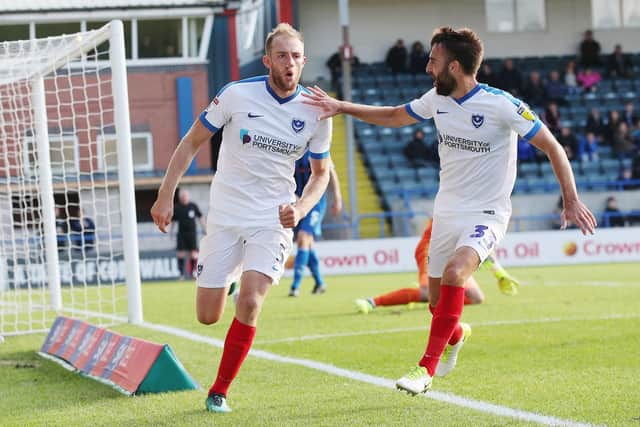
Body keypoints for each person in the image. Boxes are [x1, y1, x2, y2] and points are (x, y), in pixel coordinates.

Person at [303, 26, 596, 396]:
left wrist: (570, 199)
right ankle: (456, 335)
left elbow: (553, 147)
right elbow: (395, 115)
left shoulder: (502, 104)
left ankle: (424, 369)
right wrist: (342, 107)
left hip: (487, 213)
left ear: (454, 67)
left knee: (458, 273)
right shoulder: (436, 99)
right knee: (436, 303)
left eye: (433, 60)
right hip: (446, 214)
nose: (427, 67)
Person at [150, 23, 332, 413]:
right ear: (268, 60)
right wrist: (165, 195)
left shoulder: (318, 111)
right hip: (226, 214)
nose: (290, 63)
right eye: (282, 56)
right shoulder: (235, 95)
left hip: (273, 219)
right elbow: (191, 143)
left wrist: (300, 208)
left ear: (304, 61)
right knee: (207, 317)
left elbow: (320, 175)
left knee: (251, 303)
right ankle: (228, 280)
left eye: (297, 56)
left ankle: (219, 391)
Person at [354, 219, 520, 315]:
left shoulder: (484, 208)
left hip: (454, 250)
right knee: (428, 293)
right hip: (431, 246)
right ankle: (372, 302)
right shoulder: (459, 200)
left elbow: (486, 245)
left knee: (476, 298)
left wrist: (500, 275)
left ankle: (423, 292)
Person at [288, 155, 342, 297]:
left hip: (316, 203)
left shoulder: (318, 146)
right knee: (307, 243)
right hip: (298, 202)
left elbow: (331, 174)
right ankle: (319, 283)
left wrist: (337, 198)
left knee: (302, 237)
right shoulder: (293, 147)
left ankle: (295, 286)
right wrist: (293, 196)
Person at [170, 189, 206, 279]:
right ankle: (181, 274)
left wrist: (204, 228)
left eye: (185, 196)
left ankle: (194, 272)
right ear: (180, 197)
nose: (184, 198)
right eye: (182, 196)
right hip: (181, 234)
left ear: (188, 196)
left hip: (192, 234)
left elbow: (200, 217)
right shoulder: (177, 207)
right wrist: (171, 232)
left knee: (193, 253)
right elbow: (173, 221)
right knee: (181, 253)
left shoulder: (193, 206)